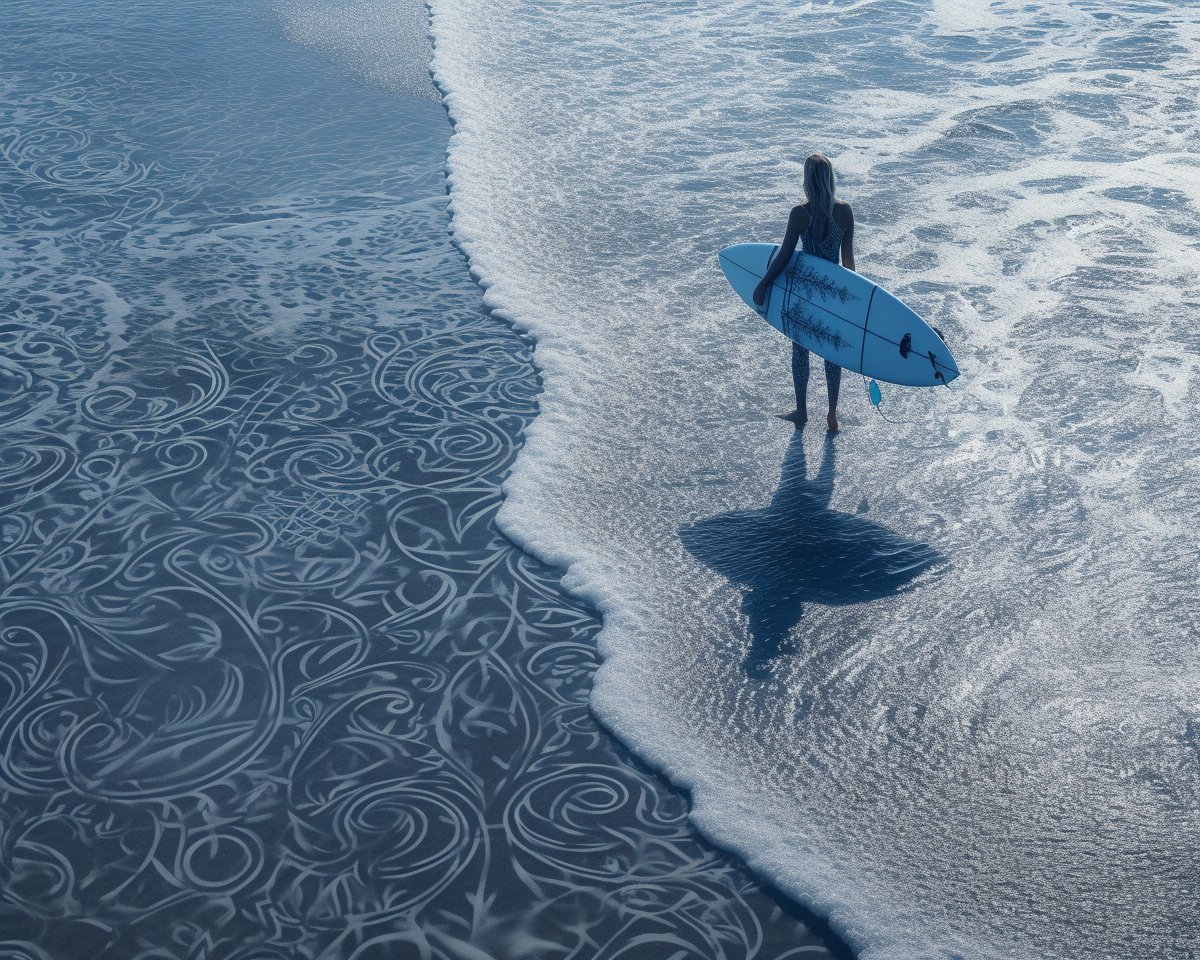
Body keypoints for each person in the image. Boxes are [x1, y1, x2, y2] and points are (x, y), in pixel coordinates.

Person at [753, 152, 855, 432]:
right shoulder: (845, 211)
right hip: (833, 293)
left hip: (805, 292)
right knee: (832, 352)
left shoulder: (801, 214)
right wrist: (852, 300)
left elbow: (785, 255)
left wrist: (764, 282)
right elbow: (848, 263)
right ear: (830, 178)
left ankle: (802, 411)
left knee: (800, 351)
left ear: (808, 180)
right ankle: (832, 415)